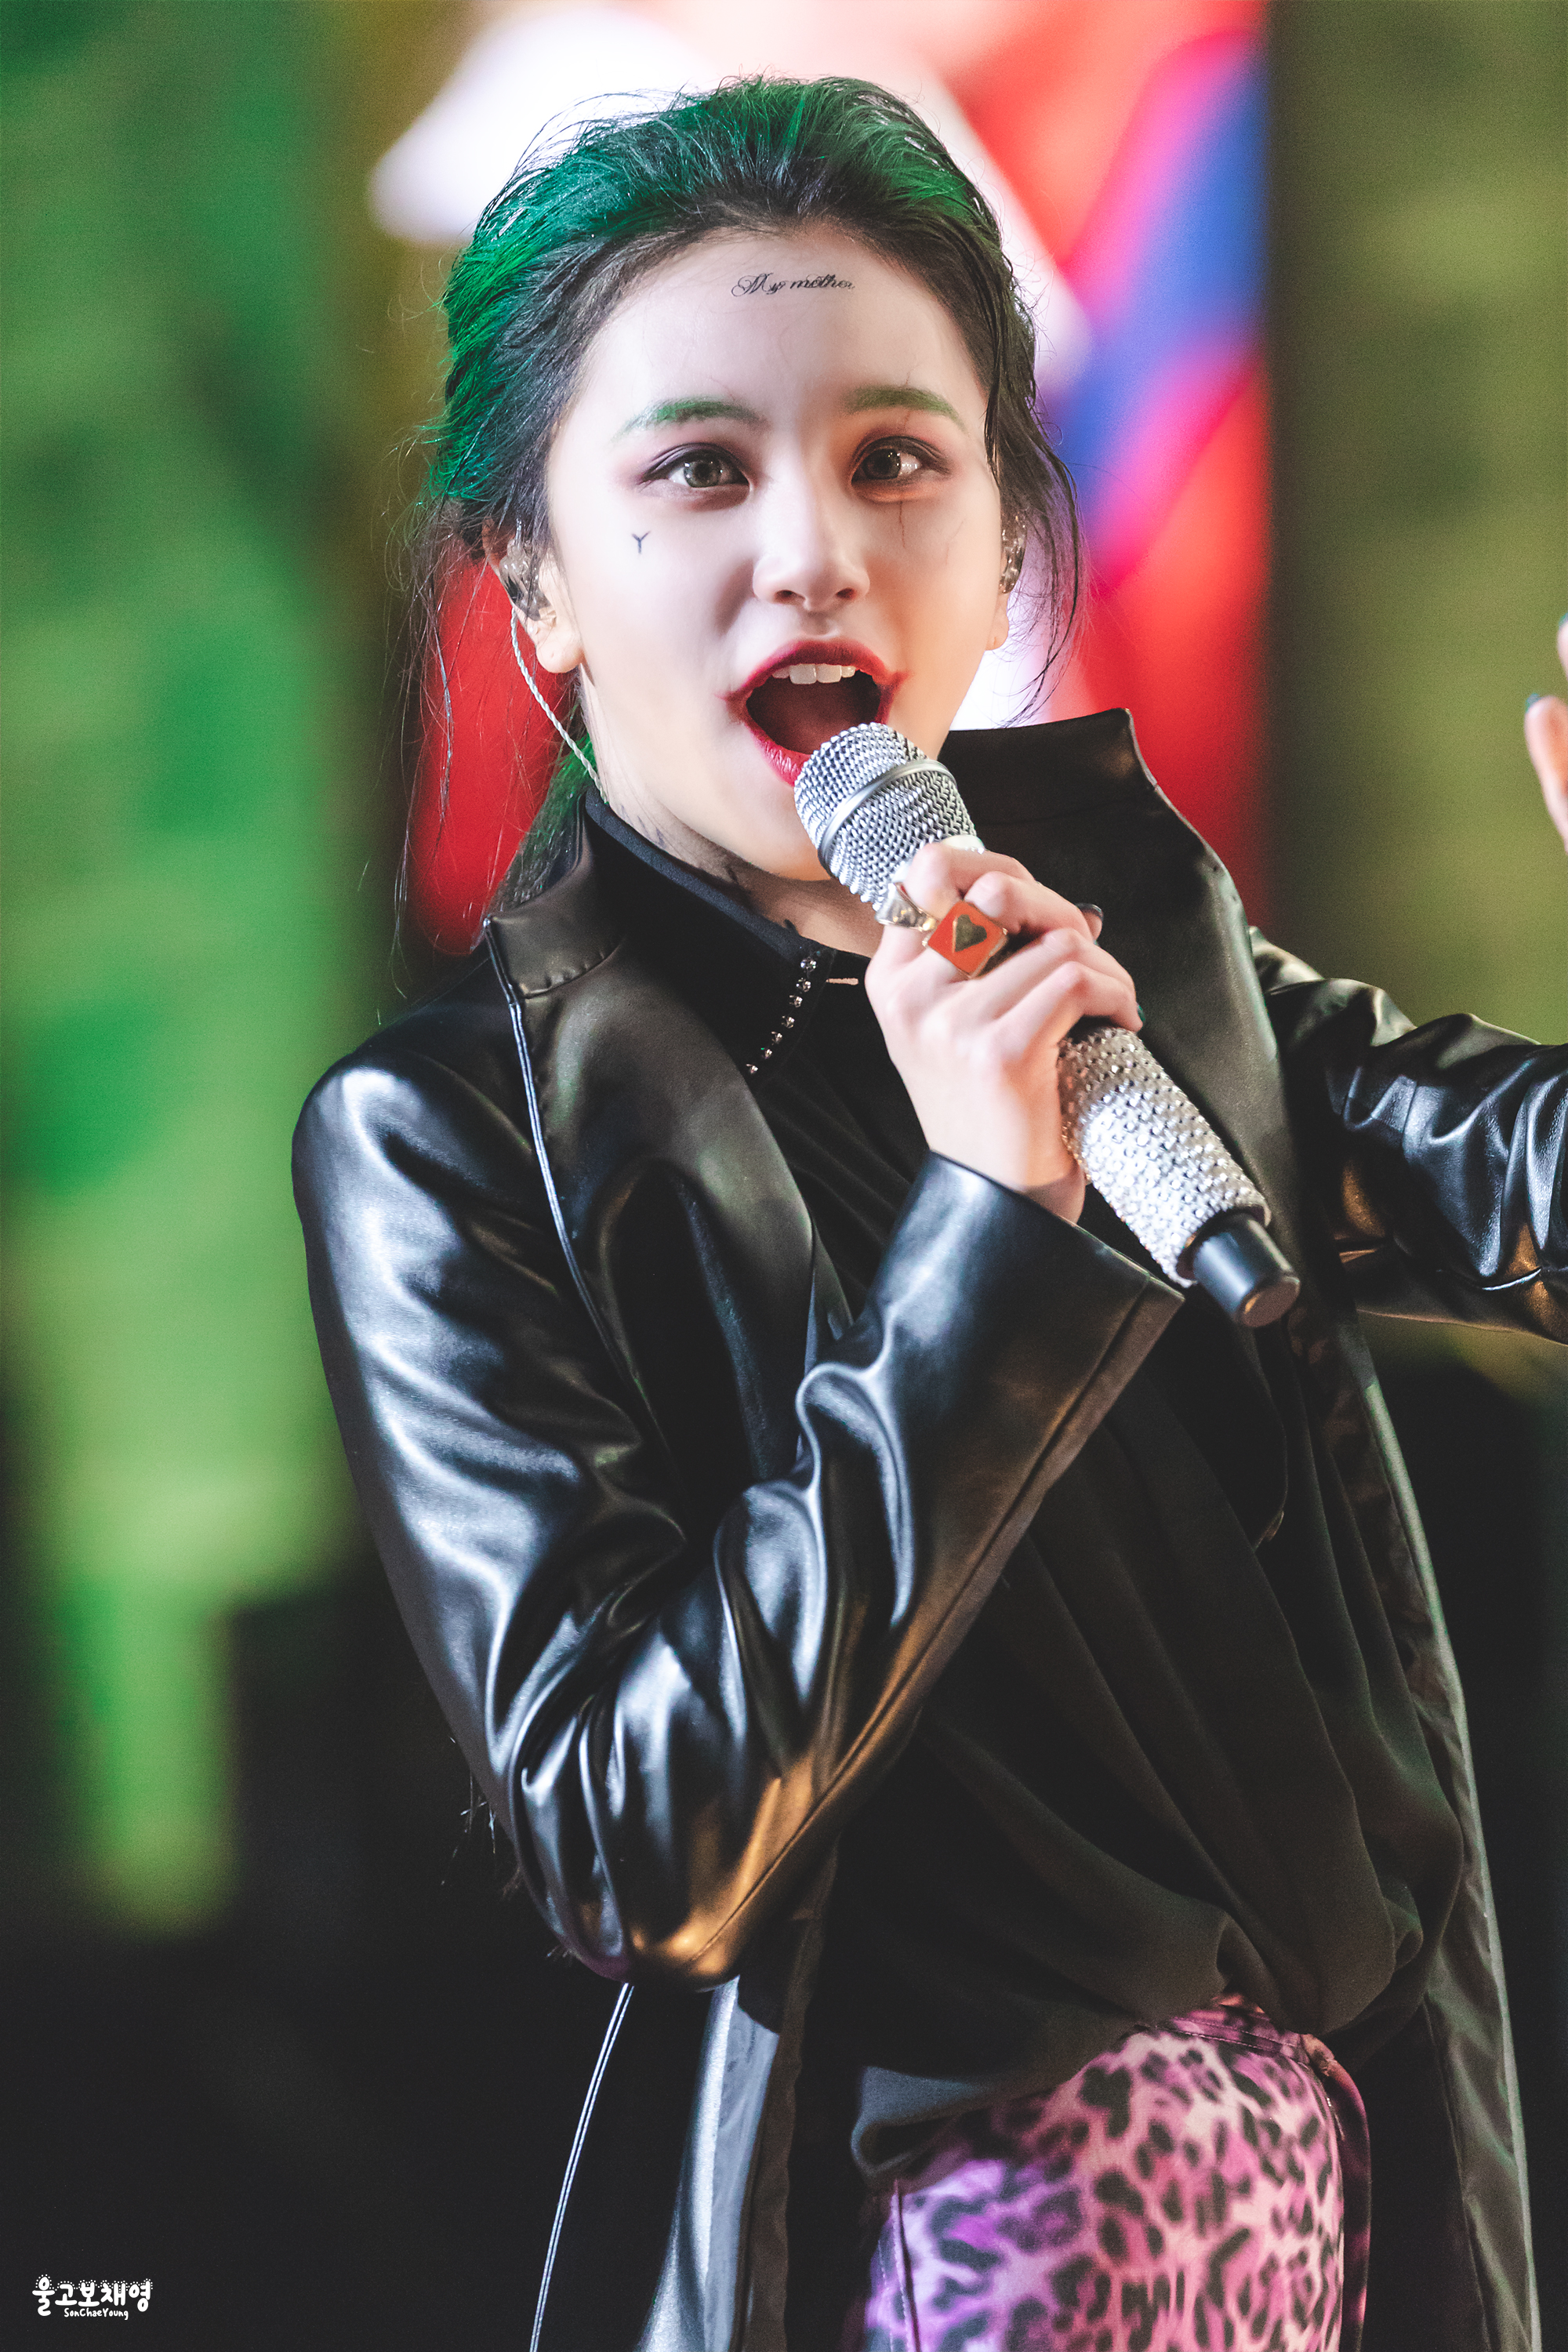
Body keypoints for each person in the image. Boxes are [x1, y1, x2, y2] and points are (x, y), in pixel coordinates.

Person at [293, 79, 1562, 2352]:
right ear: (538, 585)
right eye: (700, 470)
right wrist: (990, 1223)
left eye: (899, 460)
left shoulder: (1138, 974)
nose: (815, 550)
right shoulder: (462, 1137)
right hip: (940, 2259)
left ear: (1000, 549)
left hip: (1321, 2237)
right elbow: (643, 1831)